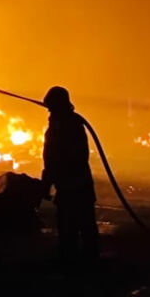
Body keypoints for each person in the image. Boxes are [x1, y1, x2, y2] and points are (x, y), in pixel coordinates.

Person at [41, 86, 100, 263]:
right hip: (77, 183)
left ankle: (76, 263)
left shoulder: (64, 126)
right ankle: (86, 259)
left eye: (51, 107)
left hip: (72, 184)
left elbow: (53, 159)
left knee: (72, 225)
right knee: (82, 223)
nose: (49, 111)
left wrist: (47, 183)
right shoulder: (70, 123)